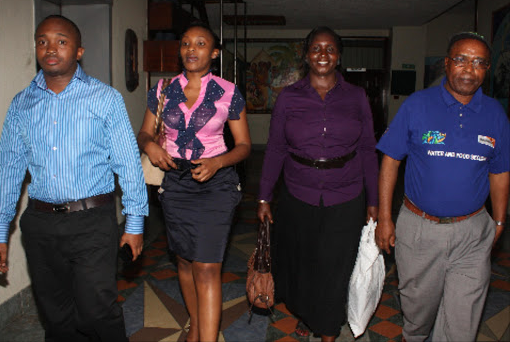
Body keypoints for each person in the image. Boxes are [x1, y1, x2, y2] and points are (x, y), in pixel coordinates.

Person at [0, 15, 148, 341]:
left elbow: (128, 164)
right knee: (56, 316)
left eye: (61, 41)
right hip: (40, 224)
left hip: (92, 221)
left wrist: (135, 223)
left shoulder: (105, 99)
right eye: (42, 41)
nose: (51, 48)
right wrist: (0, 229)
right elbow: (8, 170)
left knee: (97, 310)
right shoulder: (22, 104)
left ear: (78, 51)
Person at [376, 32, 509, 342]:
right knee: (417, 317)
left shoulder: (495, 114)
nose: (469, 69)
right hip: (419, 230)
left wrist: (499, 220)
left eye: (479, 63)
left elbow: (500, 171)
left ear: (486, 69)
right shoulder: (417, 104)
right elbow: (390, 161)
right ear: (447, 64)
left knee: (461, 326)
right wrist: (385, 217)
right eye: (461, 59)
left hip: (472, 233)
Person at [257, 26, 379, 342]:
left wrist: (374, 200)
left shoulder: (356, 96)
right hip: (299, 192)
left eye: (330, 49)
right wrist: (263, 196)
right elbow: (275, 148)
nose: (322, 54)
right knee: (304, 262)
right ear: (306, 55)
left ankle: (327, 328)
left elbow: (367, 147)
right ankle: (310, 313)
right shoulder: (288, 97)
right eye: (316, 48)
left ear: (338, 56)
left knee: (336, 264)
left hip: (347, 193)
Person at [137, 21, 251, 342]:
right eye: (186, 43)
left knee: (207, 266)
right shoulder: (162, 90)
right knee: (185, 262)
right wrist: (150, 146)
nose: (192, 49)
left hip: (216, 184)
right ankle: (197, 325)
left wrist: (217, 162)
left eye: (201, 44)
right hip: (175, 184)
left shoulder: (229, 92)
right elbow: (144, 132)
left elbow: (243, 146)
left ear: (214, 53)